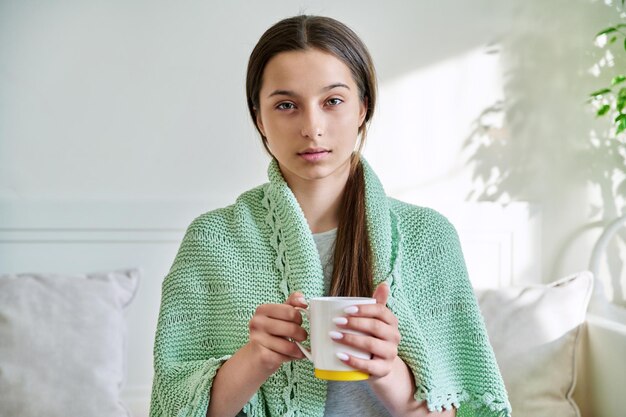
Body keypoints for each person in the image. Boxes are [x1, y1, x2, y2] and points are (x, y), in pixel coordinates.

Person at [149, 15, 511, 417]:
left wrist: (386, 368)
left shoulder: (428, 237)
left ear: (363, 108)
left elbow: (465, 409)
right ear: (259, 119)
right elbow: (174, 410)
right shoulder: (212, 240)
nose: (312, 127)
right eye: (286, 105)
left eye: (333, 101)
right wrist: (257, 357)